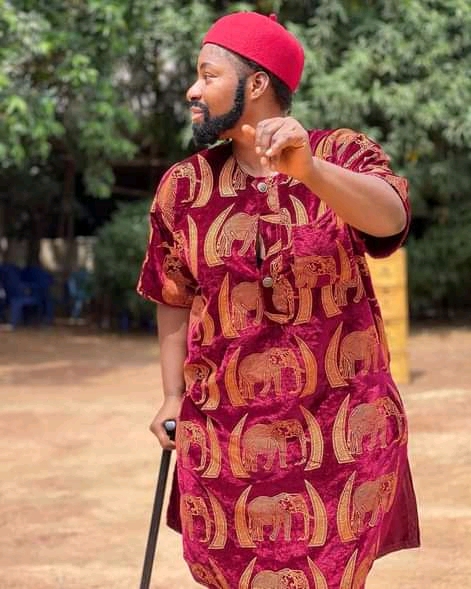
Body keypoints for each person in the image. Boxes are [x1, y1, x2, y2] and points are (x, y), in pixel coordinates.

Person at [137, 11, 420, 589]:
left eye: (207, 75)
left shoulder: (341, 153)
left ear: (258, 82)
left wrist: (311, 171)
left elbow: (390, 219)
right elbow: (172, 293)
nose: (193, 90)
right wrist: (171, 395)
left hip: (341, 437)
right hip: (225, 442)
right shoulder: (183, 187)